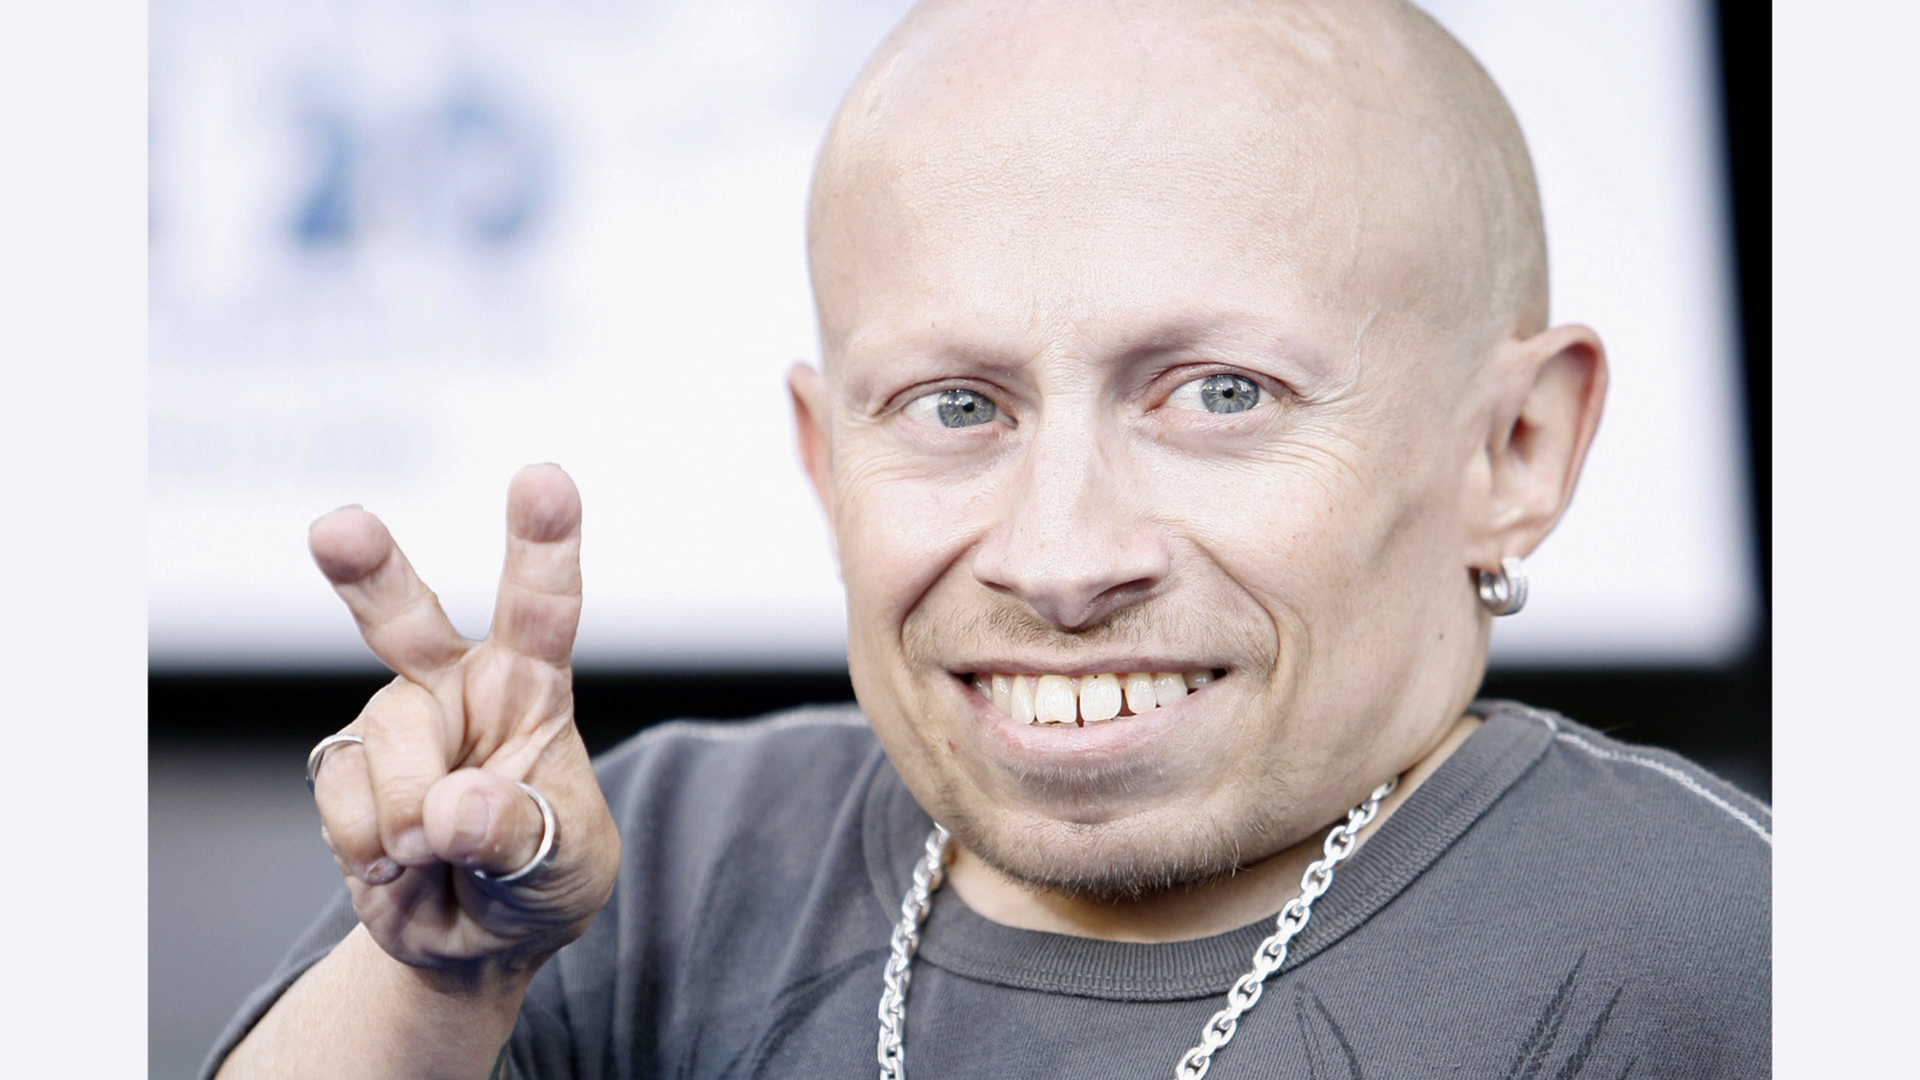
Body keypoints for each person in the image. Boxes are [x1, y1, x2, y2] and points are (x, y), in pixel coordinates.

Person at [208, 1, 1770, 1077]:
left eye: (1221, 394)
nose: (1063, 558)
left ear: (1516, 449)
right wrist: (444, 986)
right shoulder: (643, 869)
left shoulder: (1736, 954)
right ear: (829, 463)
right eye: (956, 407)